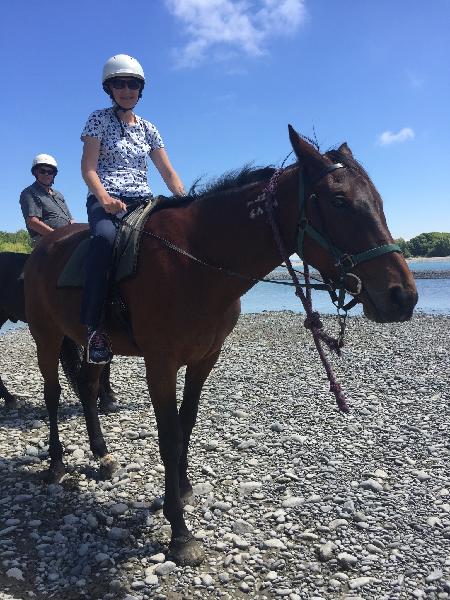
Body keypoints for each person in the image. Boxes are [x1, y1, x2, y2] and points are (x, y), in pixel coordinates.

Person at [80, 54, 185, 365]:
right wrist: (103, 199)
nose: (126, 90)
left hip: (144, 200)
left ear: (141, 90)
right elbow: (88, 169)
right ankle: (94, 326)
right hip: (107, 200)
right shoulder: (97, 119)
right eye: (120, 84)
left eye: (133, 85)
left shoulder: (149, 128)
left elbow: (167, 172)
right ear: (109, 88)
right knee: (103, 240)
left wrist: (183, 196)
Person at [20, 154, 74, 247]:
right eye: (42, 171)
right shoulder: (29, 192)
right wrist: (57, 236)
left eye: (50, 172)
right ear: (36, 173)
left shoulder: (59, 195)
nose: (46, 174)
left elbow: (71, 220)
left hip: (67, 238)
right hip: (45, 239)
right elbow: (33, 222)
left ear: (54, 175)